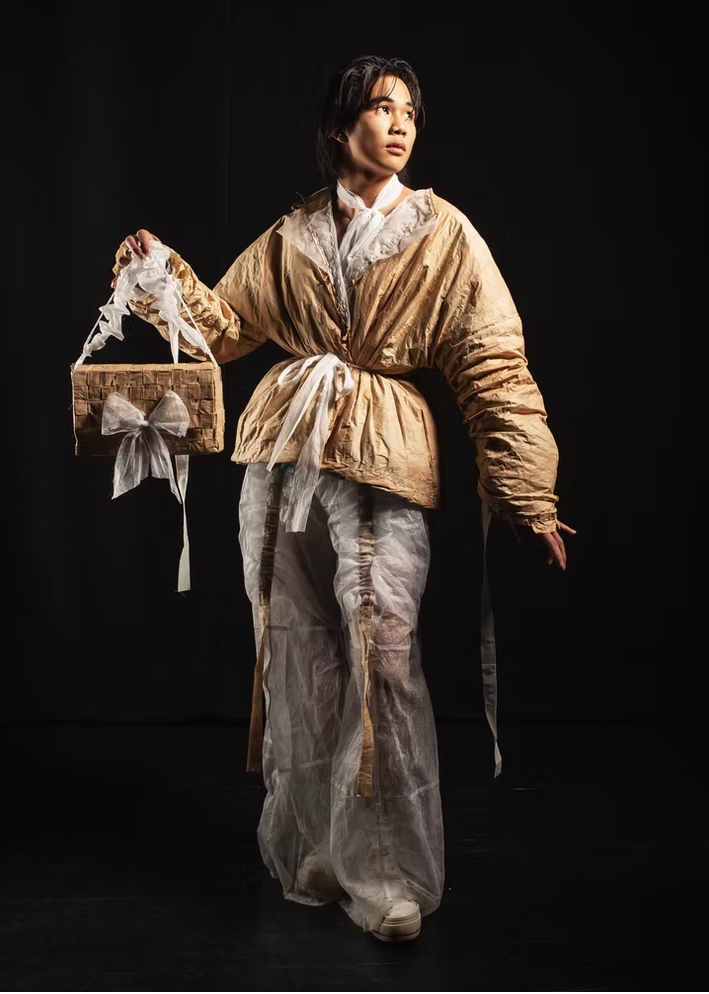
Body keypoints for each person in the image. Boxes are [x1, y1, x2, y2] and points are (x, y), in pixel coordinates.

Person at [112, 54, 575, 942]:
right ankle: (319, 846)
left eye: (407, 110)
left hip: (382, 451)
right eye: (378, 108)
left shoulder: (442, 234)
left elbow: (491, 361)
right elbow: (223, 326)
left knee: (383, 657)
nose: (398, 123)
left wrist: (526, 492)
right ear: (339, 128)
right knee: (295, 649)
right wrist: (159, 268)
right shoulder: (291, 236)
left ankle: (389, 871)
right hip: (284, 454)